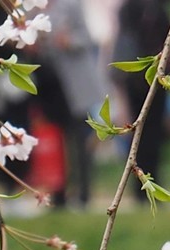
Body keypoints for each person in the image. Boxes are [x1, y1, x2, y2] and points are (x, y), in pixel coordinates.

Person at [33, 0, 106, 208]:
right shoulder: (33, 7)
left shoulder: (72, 5)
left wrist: (69, 41)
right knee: (54, 140)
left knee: (80, 140)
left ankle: (83, 193)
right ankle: (58, 194)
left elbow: (87, 38)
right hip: (50, 86)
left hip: (75, 86)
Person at [113, 0, 170, 188]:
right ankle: (149, 180)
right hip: (151, 76)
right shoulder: (153, 9)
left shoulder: (130, 9)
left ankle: (141, 182)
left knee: (141, 132)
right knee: (150, 132)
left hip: (140, 76)